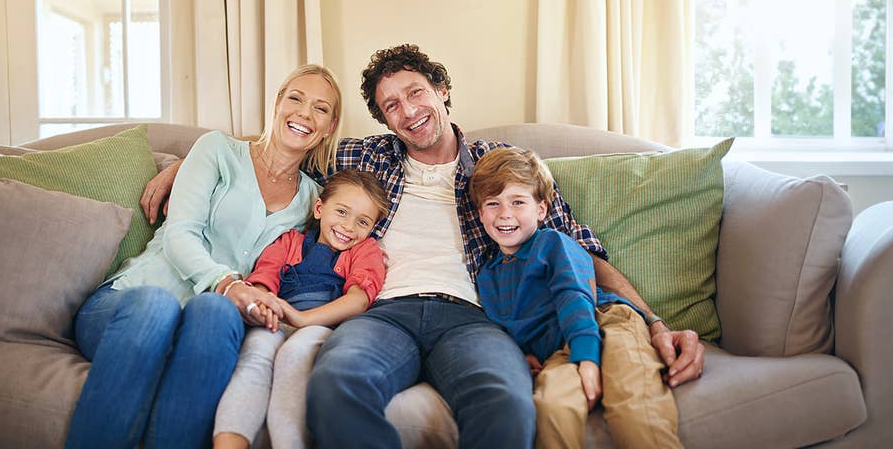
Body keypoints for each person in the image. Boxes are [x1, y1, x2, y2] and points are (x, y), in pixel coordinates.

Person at [140, 44, 704, 448]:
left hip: (474, 319)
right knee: (335, 387)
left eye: (416, 93)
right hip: (382, 313)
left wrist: (653, 321)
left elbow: (580, 249)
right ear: (382, 119)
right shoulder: (362, 159)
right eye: (392, 105)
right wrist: (186, 163)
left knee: (507, 402)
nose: (408, 111)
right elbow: (283, 142)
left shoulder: (499, 165)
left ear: (443, 92)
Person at [65, 63, 345, 449]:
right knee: (158, 306)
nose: (303, 113)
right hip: (131, 303)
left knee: (216, 312)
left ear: (329, 126)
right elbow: (180, 233)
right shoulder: (217, 149)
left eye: (320, 108)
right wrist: (227, 282)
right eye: (295, 99)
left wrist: (259, 303)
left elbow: (288, 273)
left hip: (205, 328)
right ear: (277, 105)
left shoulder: (313, 202)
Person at [470, 147, 683, 449]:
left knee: (633, 401)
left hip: (606, 321)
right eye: (493, 204)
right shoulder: (487, 277)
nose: (505, 214)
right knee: (552, 405)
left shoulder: (552, 243)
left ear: (541, 210)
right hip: (559, 350)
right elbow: (504, 327)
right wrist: (523, 354)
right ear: (480, 214)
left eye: (518, 202)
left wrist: (587, 359)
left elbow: (575, 296)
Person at [212, 169, 391, 449]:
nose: (348, 226)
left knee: (294, 355)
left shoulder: (365, 251)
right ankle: (228, 443)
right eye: (342, 212)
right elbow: (264, 281)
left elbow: (358, 301)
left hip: (324, 327)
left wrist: (302, 319)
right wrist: (264, 305)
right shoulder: (289, 241)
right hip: (278, 318)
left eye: (362, 221)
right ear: (319, 208)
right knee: (256, 352)